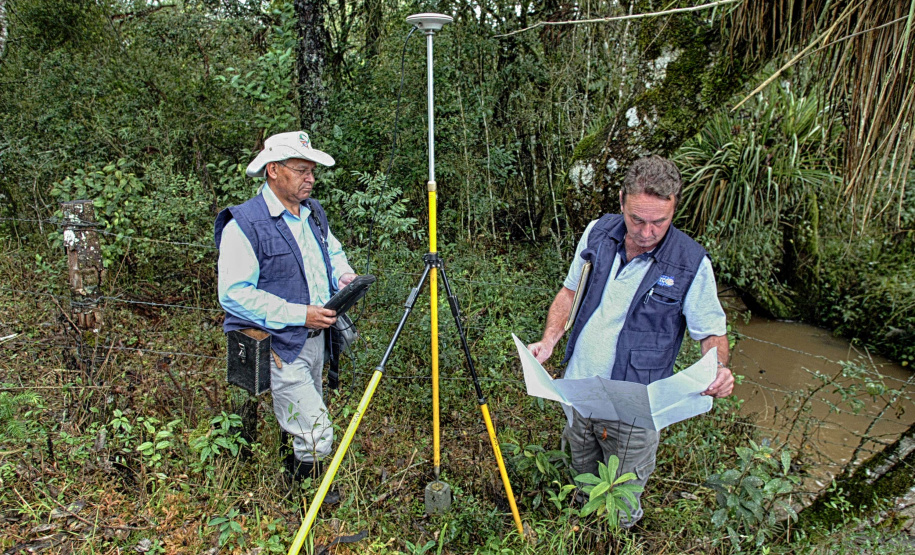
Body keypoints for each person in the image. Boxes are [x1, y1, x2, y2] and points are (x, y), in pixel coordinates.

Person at [527, 155, 734, 527]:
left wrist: (718, 368)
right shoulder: (597, 233)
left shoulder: (691, 263)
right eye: (637, 219)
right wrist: (549, 340)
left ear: (674, 208)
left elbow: (711, 332)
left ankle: (615, 538)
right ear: (622, 200)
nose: (647, 232)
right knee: (579, 478)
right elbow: (569, 292)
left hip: (634, 407)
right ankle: (580, 535)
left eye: (660, 221)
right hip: (578, 390)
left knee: (619, 502)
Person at [214, 131, 357, 492]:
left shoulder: (313, 213)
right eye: (301, 170)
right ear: (273, 170)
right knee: (317, 432)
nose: (310, 178)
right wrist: (299, 314)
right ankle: (305, 495)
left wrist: (343, 275)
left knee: (303, 415)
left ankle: (292, 480)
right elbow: (233, 294)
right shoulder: (243, 225)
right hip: (280, 345)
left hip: (317, 339)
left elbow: (332, 251)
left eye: (312, 171)